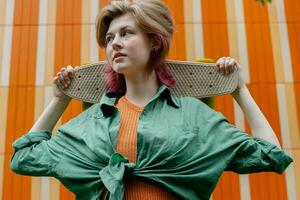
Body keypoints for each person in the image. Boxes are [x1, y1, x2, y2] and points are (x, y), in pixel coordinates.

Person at [10, 0, 293, 200]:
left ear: (155, 42)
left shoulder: (193, 116)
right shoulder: (92, 121)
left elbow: (270, 154)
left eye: (126, 33)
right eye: (109, 39)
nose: (114, 44)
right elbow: (23, 158)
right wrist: (60, 99)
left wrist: (238, 89)